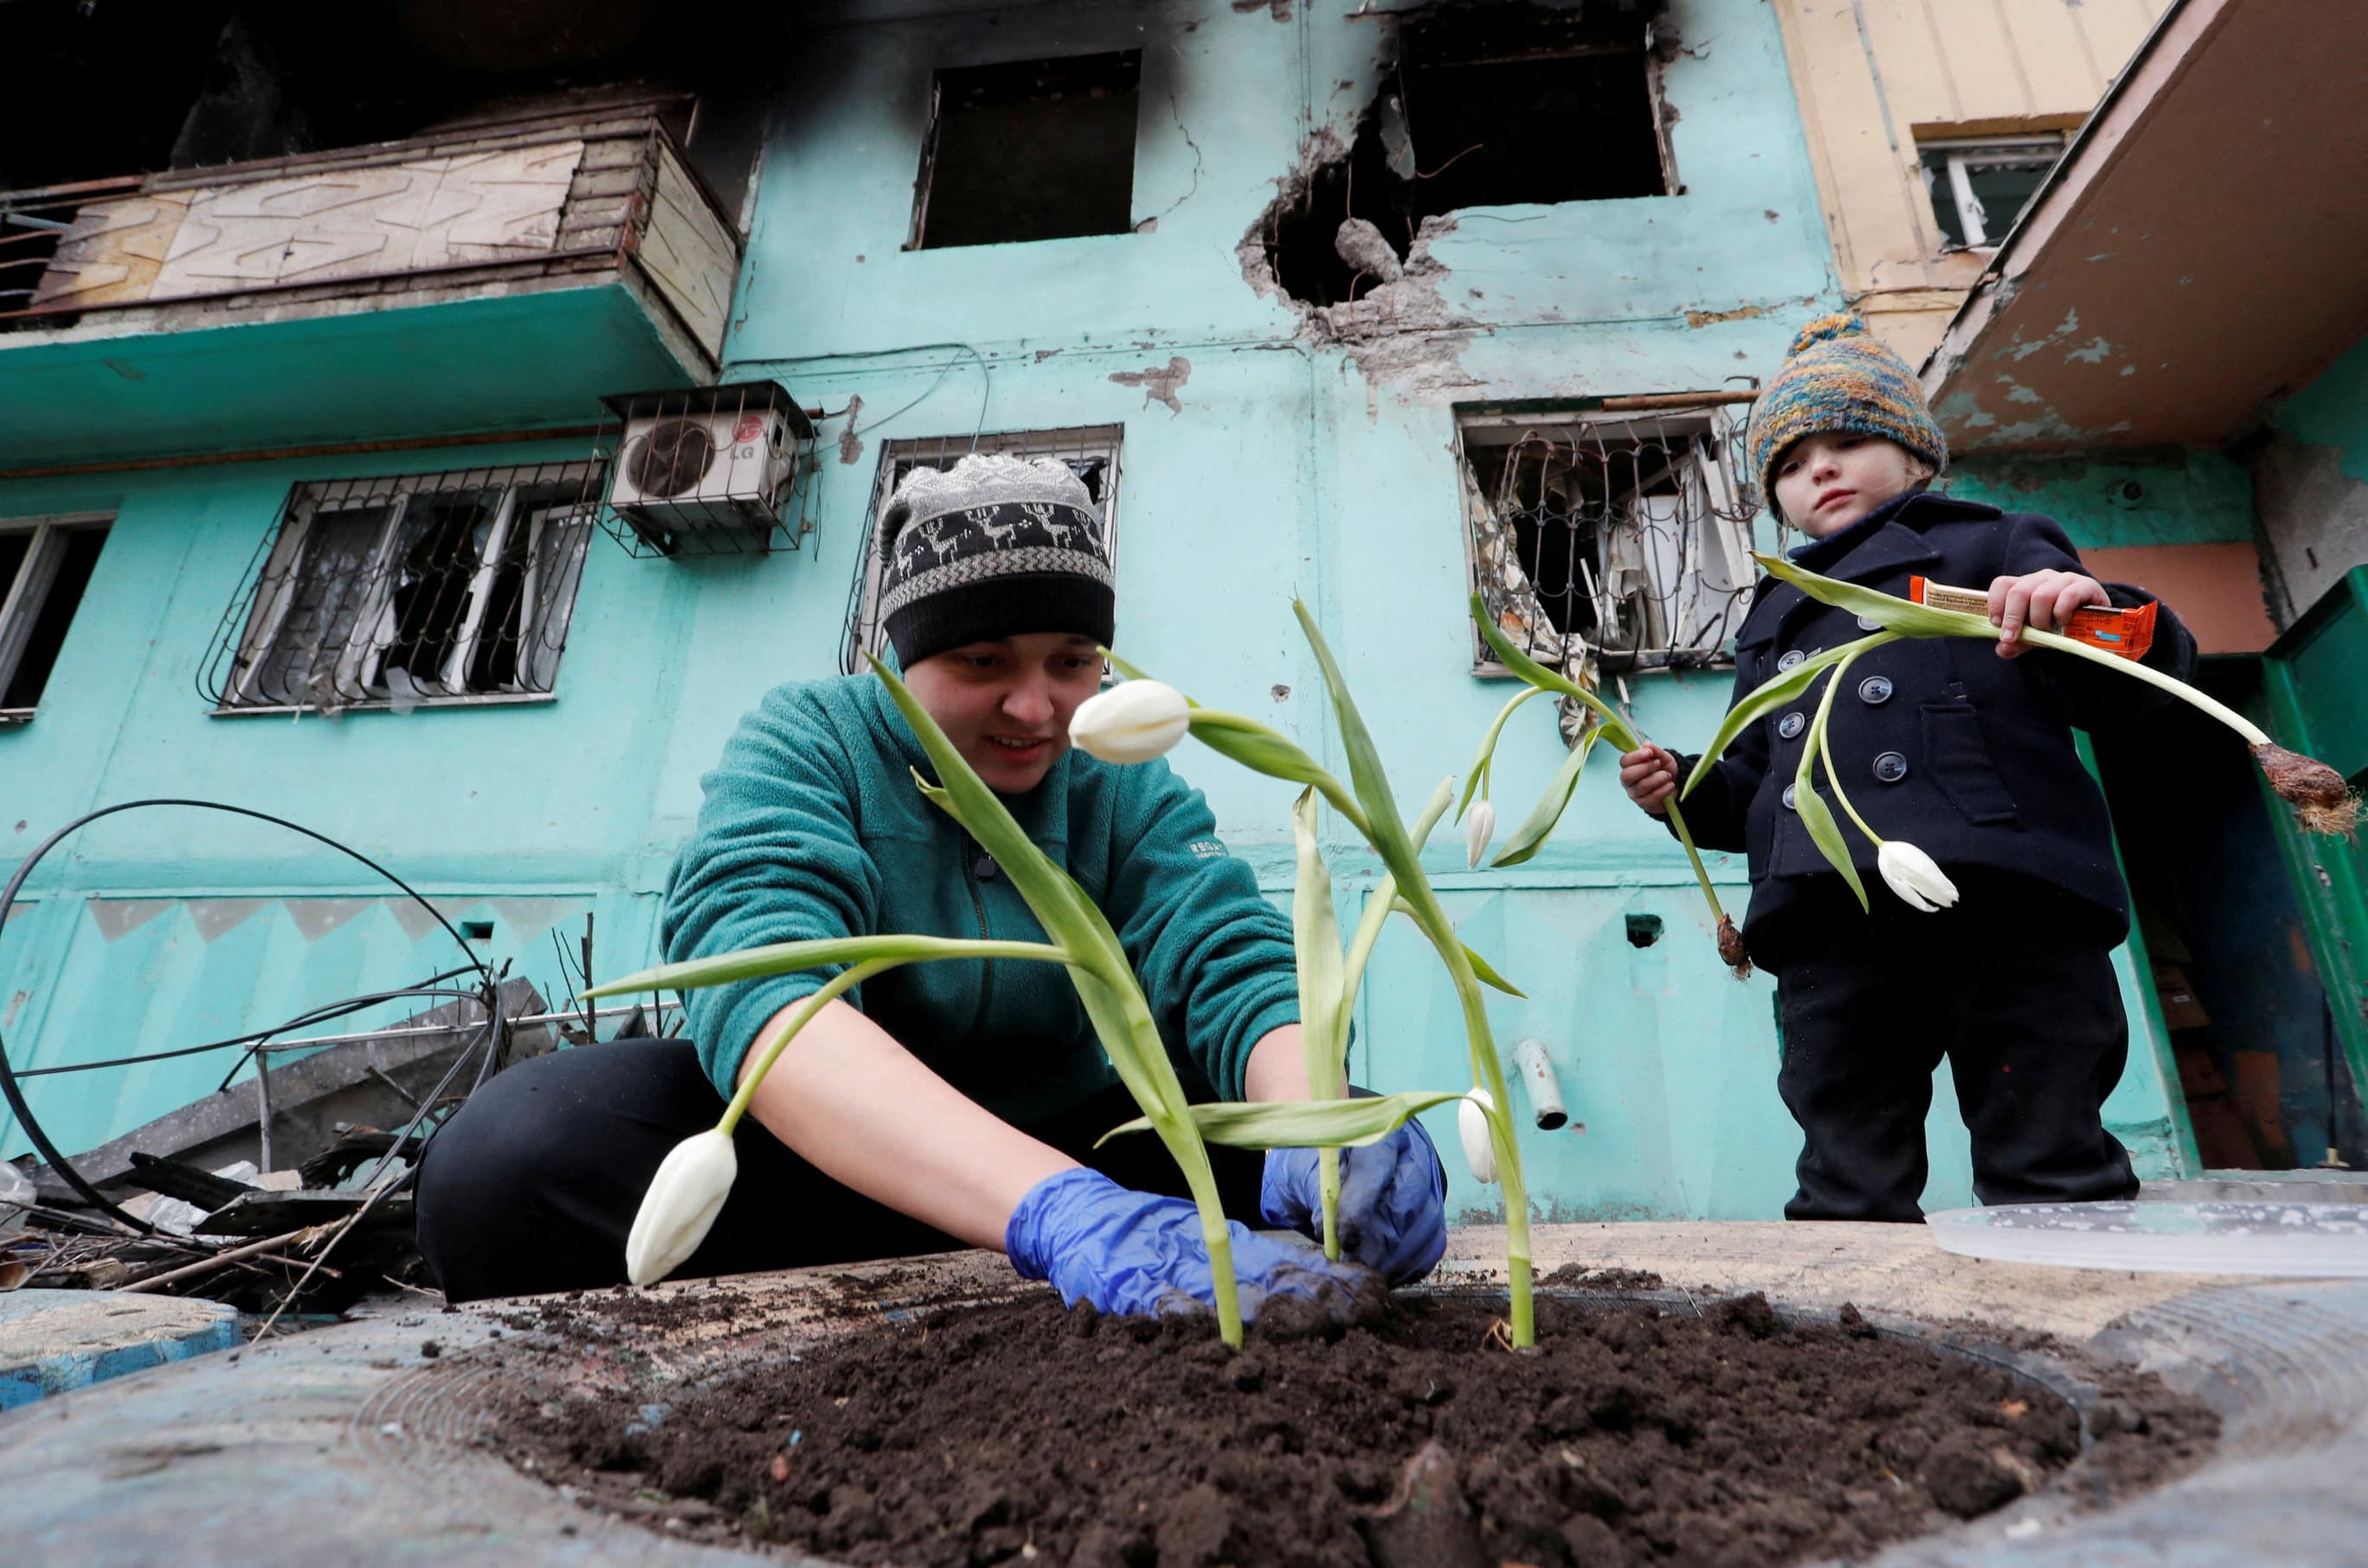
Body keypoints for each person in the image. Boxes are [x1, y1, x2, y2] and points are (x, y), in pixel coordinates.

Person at [416, 454, 1446, 1312]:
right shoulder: (812, 738)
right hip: (842, 1161)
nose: (1038, 709)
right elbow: (762, 989)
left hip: (1096, 1149)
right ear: (901, 657)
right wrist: (1057, 1208)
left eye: (1073, 660)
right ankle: (1038, 1236)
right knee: (511, 1161)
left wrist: (1316, 1118)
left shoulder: (1113, 770)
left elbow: (1222, 951)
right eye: (983, 661)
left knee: (1324, 1157)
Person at [1618, 313, 2197, 1222]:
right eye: (1791, 463)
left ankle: (2082, 1313)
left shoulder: (1998, 547)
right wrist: (1681, 790)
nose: (1822, 470)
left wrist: (2079, 605)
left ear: (1916, 454)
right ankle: (1855, 1328)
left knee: (2046, 1131)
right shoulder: (1775, 614)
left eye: (1848, 441)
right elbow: (1761, 785)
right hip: (1831, 921)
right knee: (1846, 1150)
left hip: (2009, 898)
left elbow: (2131, 679)